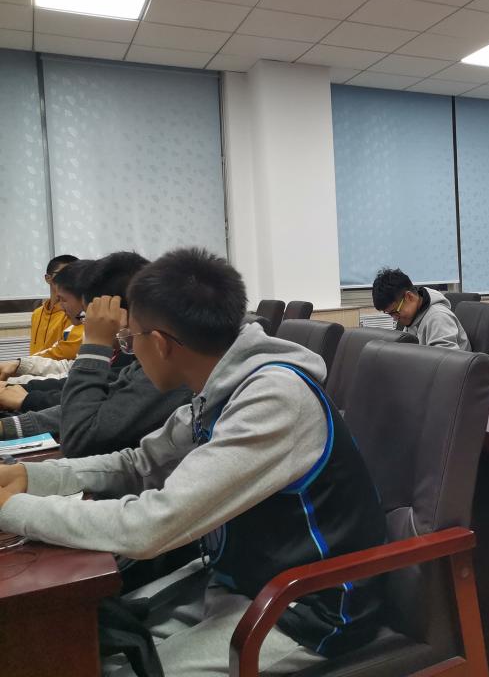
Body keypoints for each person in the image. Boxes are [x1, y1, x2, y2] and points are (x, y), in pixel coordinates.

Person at [0, 248, 386, 675]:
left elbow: (151, 525)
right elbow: (140, 463)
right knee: (88, 641)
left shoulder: (274, 399)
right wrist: (30, 475)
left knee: (113, 667)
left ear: (160, 344)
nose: (129, 352)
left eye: (130, 340)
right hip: (238, 579)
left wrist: (13, 509)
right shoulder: (217, 390)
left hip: (305, 610)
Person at [1, 253, 193, 457]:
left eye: (87, 316)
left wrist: (96, 343)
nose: (87, 324)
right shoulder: (145, 360)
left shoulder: (166, 366)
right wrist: (12, 425)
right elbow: (106, 403)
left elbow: (80, 436)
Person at [1, 260, 94, 386]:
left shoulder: (86, 327)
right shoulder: (37, 313)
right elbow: (71, 368)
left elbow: (72, 372)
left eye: (63, 300)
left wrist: (17, 381)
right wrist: (20, 365)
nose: (61, 306)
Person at [372, 268, 470, 350]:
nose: (394, 318)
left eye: (395, 312)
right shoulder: (413, 316)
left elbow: (445, 362)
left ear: (409, 297)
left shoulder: (438, 318)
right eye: (390, 314)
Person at [28, 254, 79, 356]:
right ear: (48, 278)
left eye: (74, 275)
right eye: (63, 274)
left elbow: (64, 353)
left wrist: (22, 363)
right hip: (33, 364)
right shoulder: (37, 314)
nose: (69, 280)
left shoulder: (74, 314)